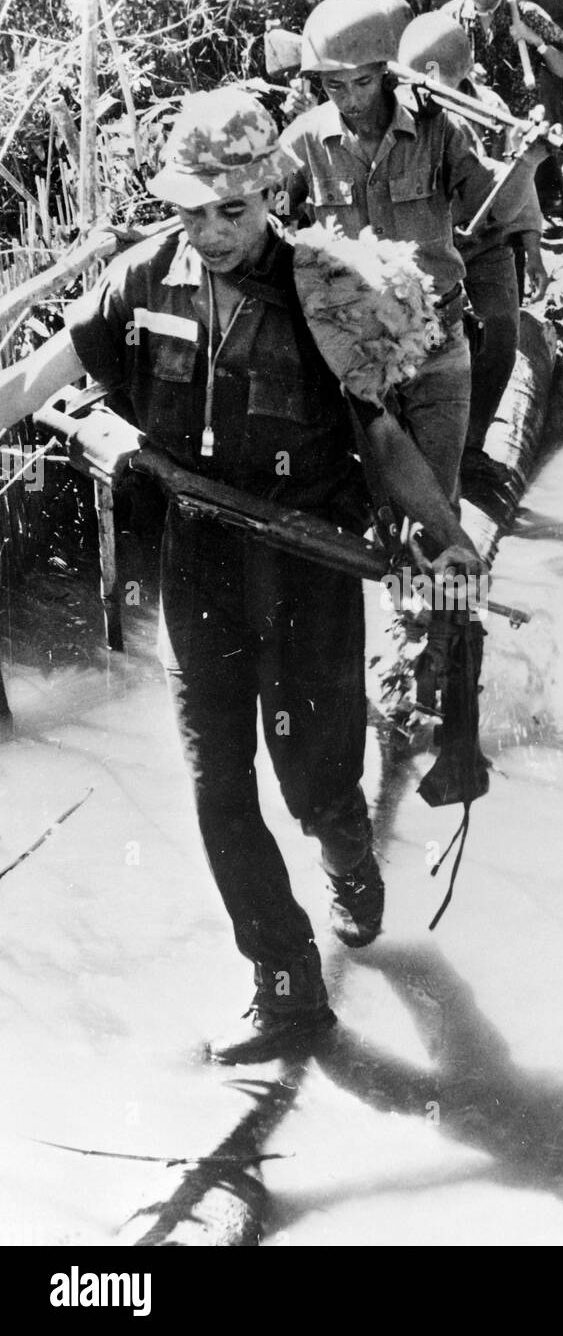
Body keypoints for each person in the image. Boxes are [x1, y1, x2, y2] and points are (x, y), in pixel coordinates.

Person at [0, 87, 487, 1067]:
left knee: (313, 782)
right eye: (195, 209)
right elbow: (32, 380)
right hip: (200, 562)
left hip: (305, 563)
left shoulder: (325, 292)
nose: (215, 231)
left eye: (235, 209)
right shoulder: (142, 282)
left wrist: (442, 536)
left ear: (270, 194)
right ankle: (284, 983)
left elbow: (383, 440)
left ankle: (347, 854)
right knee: (217, 779)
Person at [280, 0, 547, 504]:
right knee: (383, 494)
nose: (350, 98)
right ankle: (397, 577)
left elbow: (491, 210)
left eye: (361, 82)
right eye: (334, 85)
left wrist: (528, 162)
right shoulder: (307, 141)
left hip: (437, 344)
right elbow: (263, 210)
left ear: (385, 71)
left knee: (438, 495)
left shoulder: (440, 129)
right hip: (357, 352)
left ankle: (444, 575)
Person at [396, 10, 549, 490]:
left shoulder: (488, 108)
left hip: (487, 242)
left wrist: (534, 246)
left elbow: (514, 195)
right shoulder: (403, 118)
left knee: (502, 333)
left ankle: (474, 443)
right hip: (430, 249)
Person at [441, 0, 563, 219]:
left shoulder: (528, 14)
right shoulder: (450, 18)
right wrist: (461, 72)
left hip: (524, 119)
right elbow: (429, 71)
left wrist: (535, 41)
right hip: (476, 121)